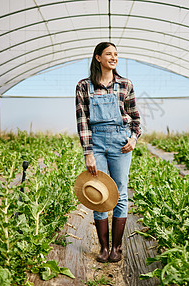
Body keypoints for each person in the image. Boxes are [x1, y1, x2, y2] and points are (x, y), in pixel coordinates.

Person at [75, 42, 141, 263]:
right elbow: (82, 121)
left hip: (120, 141)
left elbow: (135, 118)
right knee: (99, 192)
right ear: (98, 58)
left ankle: (117, 248)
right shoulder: (84, 86)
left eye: (116, 54)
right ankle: (104, 248)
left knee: (120, 192)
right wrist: (88, 153)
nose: (113, 58)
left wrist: (133, 138)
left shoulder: (125, 84)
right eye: (108, 54)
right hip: (97, 141)